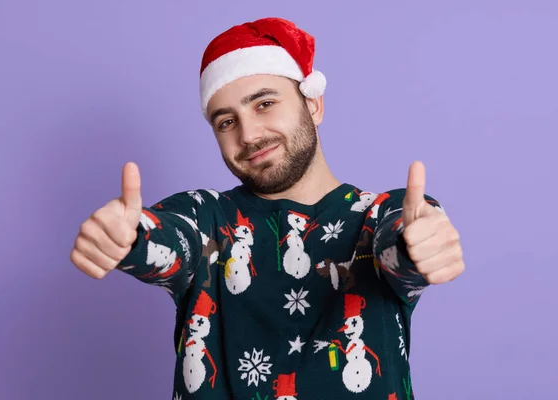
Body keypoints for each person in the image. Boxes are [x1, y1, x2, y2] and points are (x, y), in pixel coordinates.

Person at [70, 17, 464, 399]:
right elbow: (169, 238)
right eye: (226, 122)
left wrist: (420, 246)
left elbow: (400, 241)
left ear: (313, 105)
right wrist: (128, 238)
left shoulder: (378, 215)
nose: (249, 135)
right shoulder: (207, 217)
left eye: (264, 104)